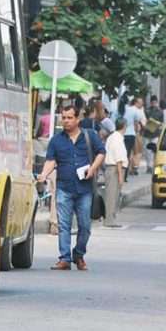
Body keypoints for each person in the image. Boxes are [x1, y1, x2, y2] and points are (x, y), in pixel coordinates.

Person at [37, 105, 105, 270]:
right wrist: (44, 174)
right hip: (64, 188)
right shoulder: (56, 140)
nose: (66, 121)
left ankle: (79, 253)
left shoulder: (90, 136)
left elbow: (101, 152)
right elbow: (51, 161)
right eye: (64, 117)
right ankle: (65, 258)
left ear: (77, 119)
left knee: (85, 226)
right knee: (64, 225)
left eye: (69, 118)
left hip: (84, 189)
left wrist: (93, 169)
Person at [102, 117, 128, 228]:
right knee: (112, 195)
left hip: (111, 168)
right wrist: (121, 176)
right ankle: (109, 220)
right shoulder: (117, 139)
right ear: (124, 126)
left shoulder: (112, 137)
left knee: (112, 195)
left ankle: (111, 218)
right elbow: (119, 158)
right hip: (115, 169)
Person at [122, 96, 146, 177]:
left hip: (125, 133)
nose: (141, 104)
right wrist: (137, 132)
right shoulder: (136, 111)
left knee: (127, 153)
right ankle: (131, 169)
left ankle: (126, 171)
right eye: (140, 103)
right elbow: (137, 123)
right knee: (134, 152)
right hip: (132, 134)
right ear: (136, 103)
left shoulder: (127, 109)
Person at [142, 95, 165, 174]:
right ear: (150, 102)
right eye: (152, 102)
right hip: (147, 133)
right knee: (147, 151)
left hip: (155, 133)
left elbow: (162, 123)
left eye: (155, 102)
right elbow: (143, 120)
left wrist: (158, 124)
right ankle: (149, 166)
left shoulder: (160, 111)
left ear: (157, 102)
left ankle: (154, 165)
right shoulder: (147, 111)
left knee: (154, 150)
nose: (154, 104)